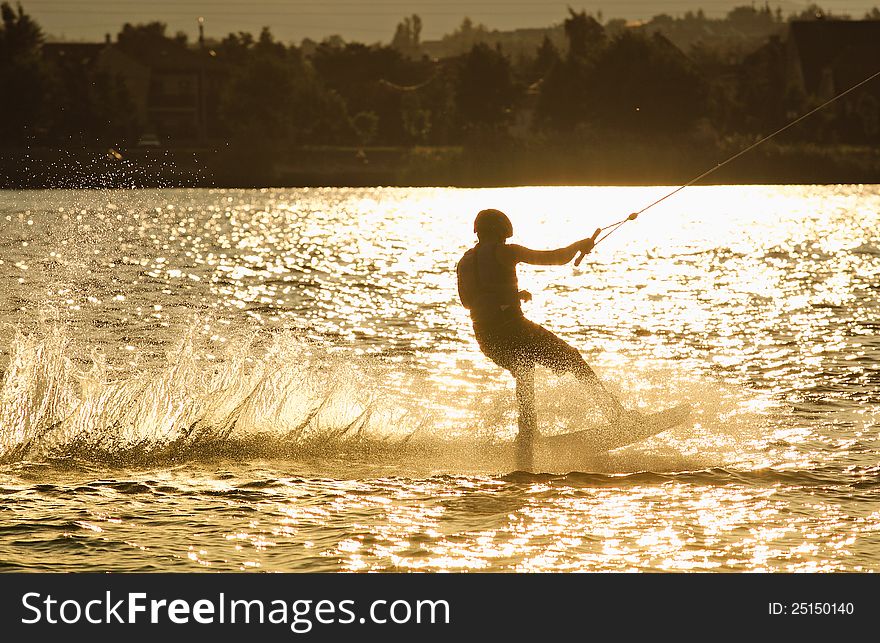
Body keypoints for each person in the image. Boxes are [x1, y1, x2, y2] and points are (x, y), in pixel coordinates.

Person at [457, 208, 631, 470]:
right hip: (513, 329)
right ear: (501, 233)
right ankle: (617, 416)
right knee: (572, 359)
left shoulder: (465, 261)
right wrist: (578, 245)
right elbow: (556, 258)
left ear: (478, 231)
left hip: (486, 337)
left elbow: (468, 302)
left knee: (523, 369)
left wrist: (510, 296)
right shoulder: (507, 252)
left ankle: (527, 436)